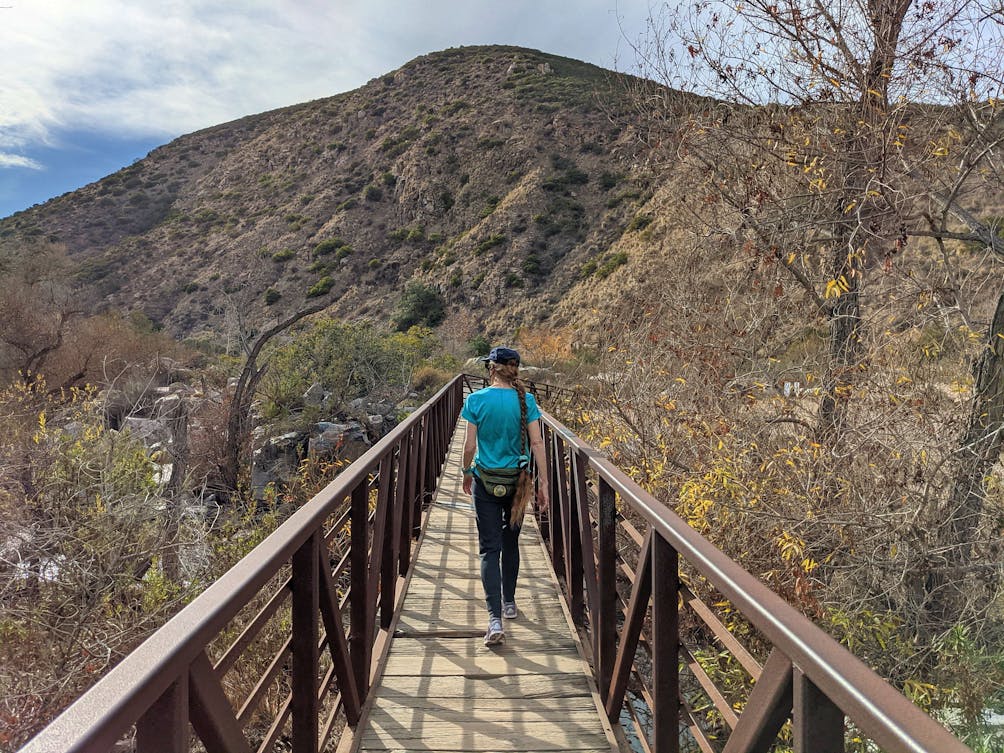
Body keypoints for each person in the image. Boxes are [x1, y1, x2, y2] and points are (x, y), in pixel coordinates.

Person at [461, 346, 550, 646]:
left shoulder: (476, 400)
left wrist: (465, 472)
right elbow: (536, 443)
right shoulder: (527, 401)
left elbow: (470, 446)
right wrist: (544, 483)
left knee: (490, 549)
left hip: (485, 482)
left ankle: (495, 619)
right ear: (514, 369)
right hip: (518, 484)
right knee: (511, 541)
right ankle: (509, 602)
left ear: (491, 369)